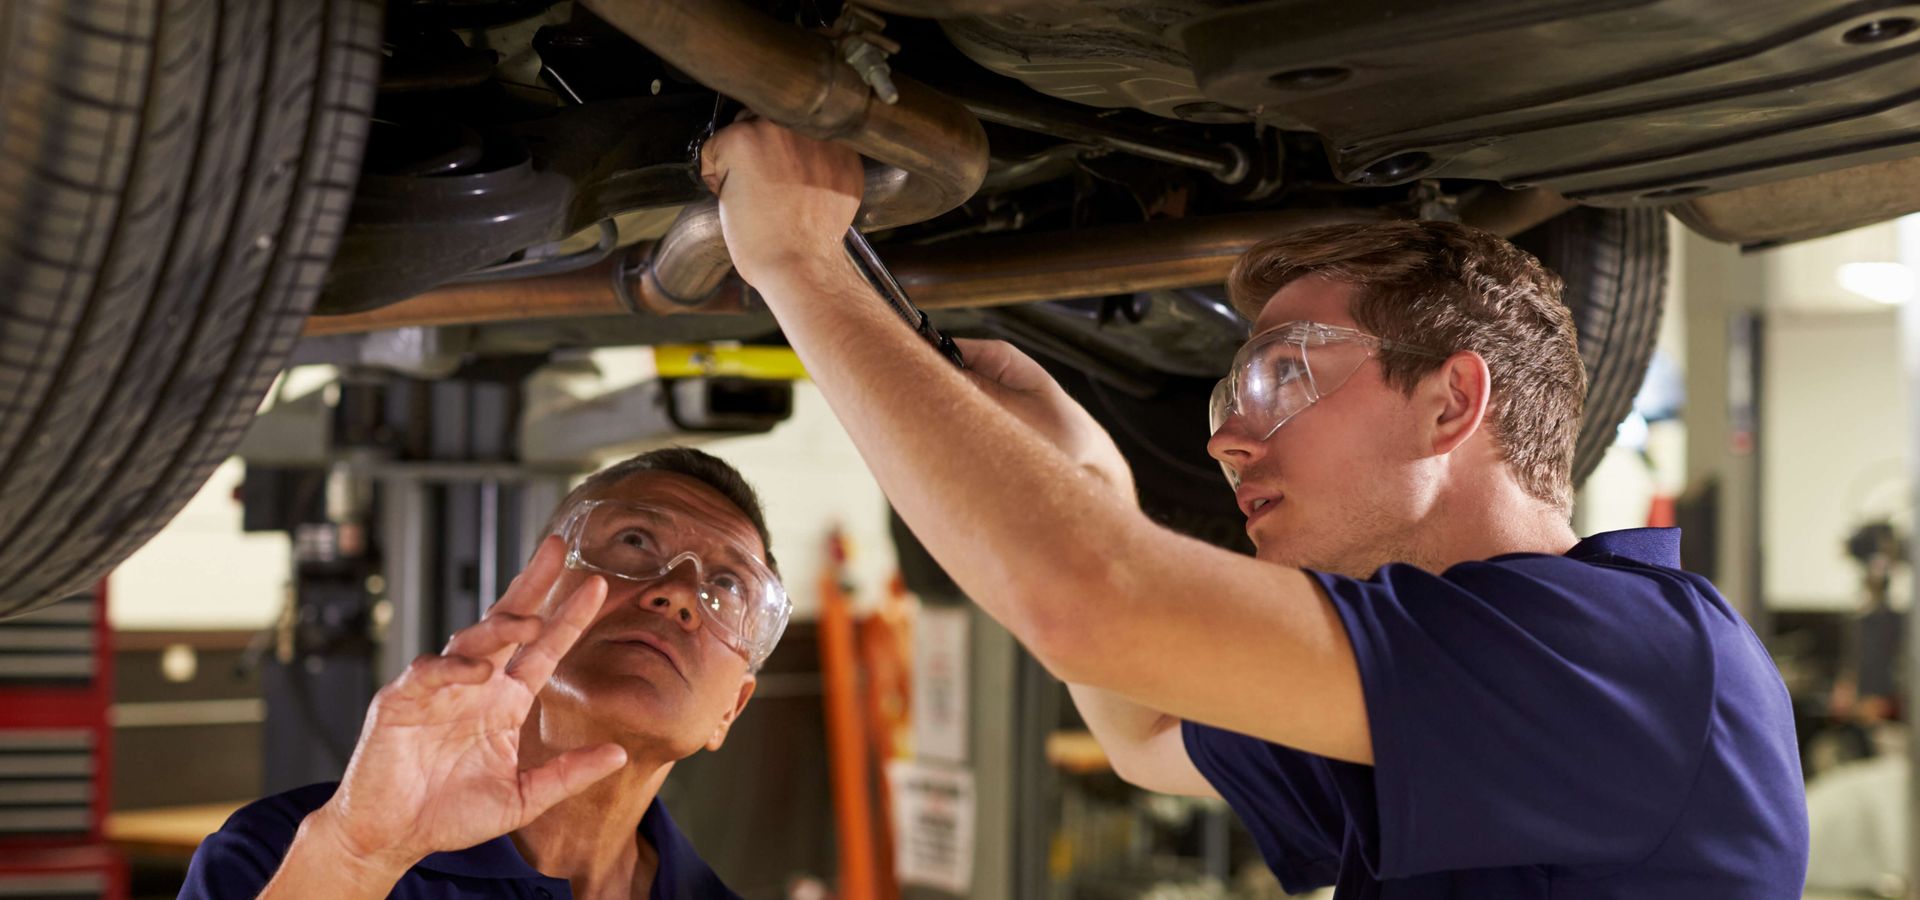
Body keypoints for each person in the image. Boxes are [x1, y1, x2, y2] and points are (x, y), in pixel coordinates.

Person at [698, 120, 1809, 896]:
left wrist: (801, 262)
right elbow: (1148, 731)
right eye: (1235, 391)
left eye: (1280, 376)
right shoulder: (1466, 683)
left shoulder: (1635, 659)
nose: (1225, 436)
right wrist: (1085, 472)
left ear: (1450, 403)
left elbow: (1096, 608)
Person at [181, 448, 789, 900]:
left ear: (730, 711)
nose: (679, 592)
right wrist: (358, 856)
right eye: (634, 540)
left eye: (727, 584)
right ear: (532, 595)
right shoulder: (281, 856)